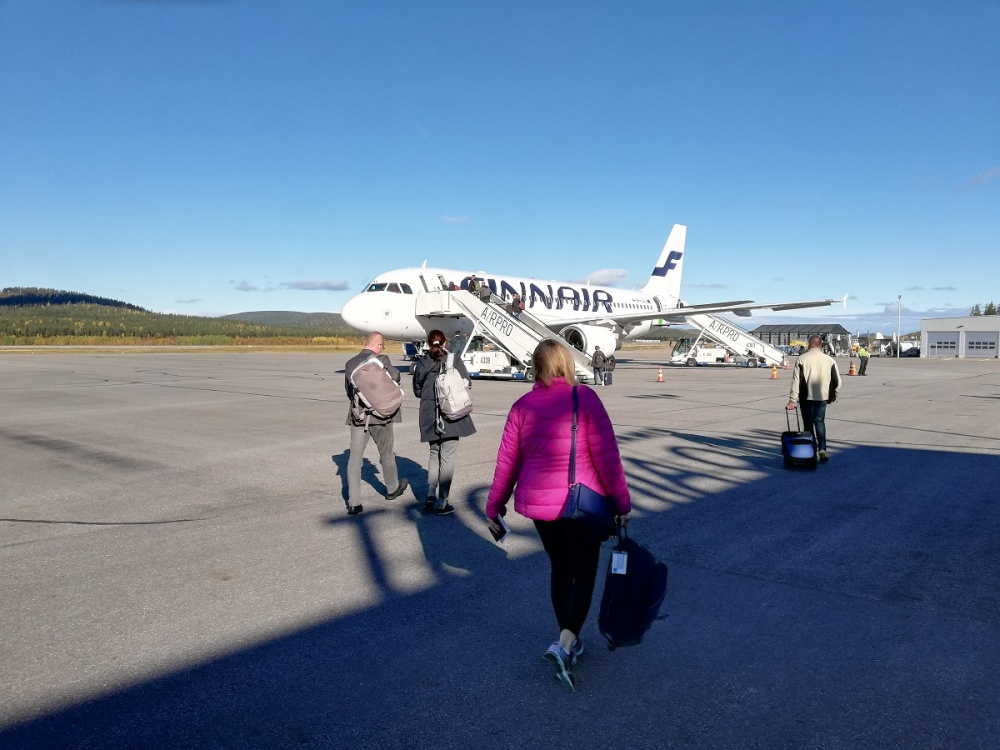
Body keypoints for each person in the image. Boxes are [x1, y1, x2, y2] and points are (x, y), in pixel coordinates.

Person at [486, 339, 631, 691]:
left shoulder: (522, 406)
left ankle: (567, 638)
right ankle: (566, 642)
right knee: (583, 574)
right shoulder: (586, 399)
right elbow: (607, 457)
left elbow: (508, 462)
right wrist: (622, 504)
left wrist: (495, 506)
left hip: (541, 508)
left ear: (536, 367)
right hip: (582, 504)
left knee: (560, 569)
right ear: (567, 364)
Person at [412, 330, 476, 515]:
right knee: (448, 457)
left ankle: (430, 494)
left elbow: (417, 391)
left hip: (429, 414)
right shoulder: (453, 360)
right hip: (451, 413)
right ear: (445, 342)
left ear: (428, 343)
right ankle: (443, 501)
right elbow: (466, 383)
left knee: (434, 453)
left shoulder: (422, 362)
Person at [344, 332, 409, 515]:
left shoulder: (350, 364)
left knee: (354, 460)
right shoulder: (381, 360)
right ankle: (392, 489)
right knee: (386, 453)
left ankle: (354, 503)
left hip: (359, 417)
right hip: (381, 418)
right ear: (379, 345)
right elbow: (396, 378)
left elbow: (349, 392)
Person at [787, 335, 842, 463]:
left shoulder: (801, 359)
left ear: (809, 344)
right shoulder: (829, 360)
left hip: (806, 397)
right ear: (821, 344)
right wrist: (833, 395)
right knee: (820, 422)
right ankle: (822, 449)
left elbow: (796, 381)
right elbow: (838, 381)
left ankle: (809, 450)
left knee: (808, 425)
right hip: (823, 397)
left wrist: (792, 400)